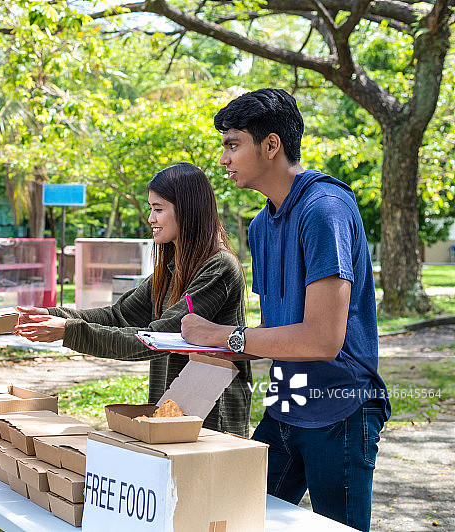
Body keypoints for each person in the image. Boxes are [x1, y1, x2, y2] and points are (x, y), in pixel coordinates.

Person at [180, 88, 390, 531]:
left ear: (271, 144)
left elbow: (321, 340)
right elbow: (274, 328)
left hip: (339, 407)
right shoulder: (261, 225)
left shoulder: (324, 209)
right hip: (285, 401)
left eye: (233, 145)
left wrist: (220, 334)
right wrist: (205, 348)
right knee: (237, 517)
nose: (223, 159)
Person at [15, 163, 252, 436]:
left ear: (188, 210)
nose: (150, 218)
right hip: (172, 408)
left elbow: (161, 338)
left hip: (212, 416)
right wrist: (53, 315)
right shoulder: (171, 268)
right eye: (150, 208)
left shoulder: (219, 267)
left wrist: (69, 331)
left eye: (158, 209)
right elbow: (119, 316)